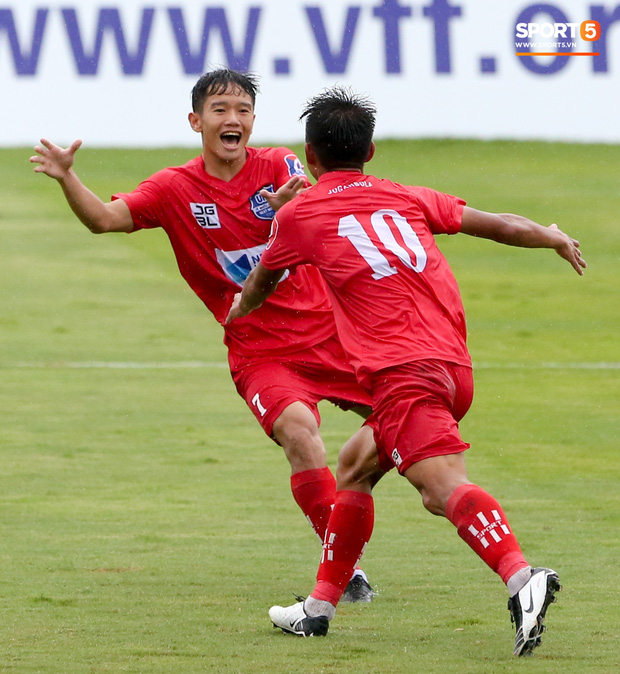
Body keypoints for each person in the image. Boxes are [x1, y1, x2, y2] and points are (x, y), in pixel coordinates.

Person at [227, 86, 587, 656]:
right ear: (370, 151)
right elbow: (499, 223)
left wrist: (238, 311)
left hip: (402, 372)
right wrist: (553, 236)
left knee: (440, 488)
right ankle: (318, 609)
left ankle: (522, 577)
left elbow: (260, 282)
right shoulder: (406, 195)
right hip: (452, 363)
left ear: (310, 156)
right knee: (354, 466)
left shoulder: (301, 214)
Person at [30, 69, 377, 602]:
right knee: (299, 432)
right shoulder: (174, 188)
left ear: (253, 120)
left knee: (412, 426)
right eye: (220, 110)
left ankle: (462, 524)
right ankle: (344, 570)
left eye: (243, 109)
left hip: (331, 335)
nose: (232, 119)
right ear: (196, 121)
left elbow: (314, 206)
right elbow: (104, 219)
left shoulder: (278, 164)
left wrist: (288, 210)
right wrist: (66, 177)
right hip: (261, 350)